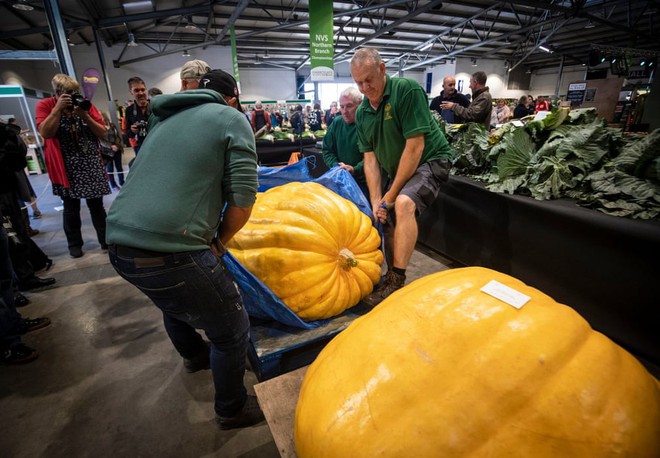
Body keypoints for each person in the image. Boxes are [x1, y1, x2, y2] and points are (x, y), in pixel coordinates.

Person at [106, 68, 264, 430]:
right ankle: (232, 408)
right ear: (233, 99)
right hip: (172, 250)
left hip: (118, 245)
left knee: (174, 300)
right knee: (231, 328)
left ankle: (194, 355)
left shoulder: (164, 120)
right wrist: (218, 242)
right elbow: (242, 201)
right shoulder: (231, 118)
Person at [350, 48, 452, 306]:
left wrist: (390, 195)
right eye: (358, 82)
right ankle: (390, 274)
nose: (364, 87)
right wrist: (376, 200)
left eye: (369, 79)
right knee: (383, 215)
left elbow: (415, 146)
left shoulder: (407, 90)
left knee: (404, 204)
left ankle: (396, 279)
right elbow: (370, 159)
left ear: (382, 69)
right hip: (399, 168)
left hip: (431, 160)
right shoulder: (362, 113)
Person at [36, 74, 110, 259]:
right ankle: (74, 245)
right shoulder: (46, 105)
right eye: (68, 93)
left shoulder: (84, 105)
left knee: (97, 207)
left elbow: (103, 133)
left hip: (90, 162)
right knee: (70, 208)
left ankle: (105, 240)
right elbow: (45, 132)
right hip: (65, 166)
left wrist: (84, 115)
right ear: (57, 92)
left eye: (74, 92)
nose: (72, 96)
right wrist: (57, 110)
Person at [322, 87, 370, 200]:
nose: (344, 111)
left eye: (349, 106)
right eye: (342, 106)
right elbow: (327, 150)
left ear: (360, 104)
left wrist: (355, 169)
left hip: (364, 184)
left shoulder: (368, 124)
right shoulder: (337, 123)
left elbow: (374, 158)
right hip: (340, 181)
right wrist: (337, 167)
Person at [123, 76, 150, 156]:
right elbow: (128, 134)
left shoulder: (155, 106)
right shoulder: (129, 110)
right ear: (131, 92)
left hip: (157, 144)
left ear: (146, 89)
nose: (141, 93)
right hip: (140, 146)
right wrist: (132, 130)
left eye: (143, 90)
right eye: (136, 90)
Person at [100, 112, 124, 191]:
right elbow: (101, 140)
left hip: (117, 148)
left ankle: (122, 182)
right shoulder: (99, 127)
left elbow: (117, 135)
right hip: (107, 151)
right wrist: (111, 146)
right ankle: (113, 185)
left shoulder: (112, 125)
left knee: (119, 167)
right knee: (110, 169)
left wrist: (117, 145)